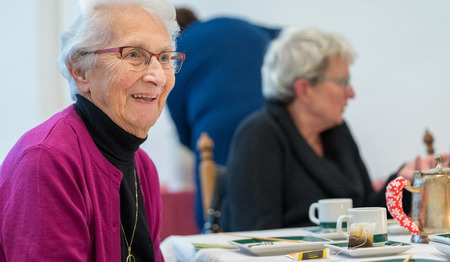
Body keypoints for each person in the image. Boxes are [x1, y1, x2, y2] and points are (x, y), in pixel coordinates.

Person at [0, 0, 185, 261]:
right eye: (133, 54)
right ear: (80, 72)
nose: (158, 76)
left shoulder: (144, 168)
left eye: (164, 58)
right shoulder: (46, 161)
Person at [220, 27, 442, 232]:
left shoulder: (336, 130)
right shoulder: (258, 135)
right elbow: (255, 235)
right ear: (305, 89)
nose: (351, 93)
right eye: (343, 81)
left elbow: (364, 212)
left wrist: (401, 181)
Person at [166, 8, 280, 229]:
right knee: (268, 188)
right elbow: (280, 34)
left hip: (214, 127)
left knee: (213, 206)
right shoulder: (233, 23)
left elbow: (175, 104)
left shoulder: (179, 47)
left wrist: (189, 141)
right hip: (267, 116)